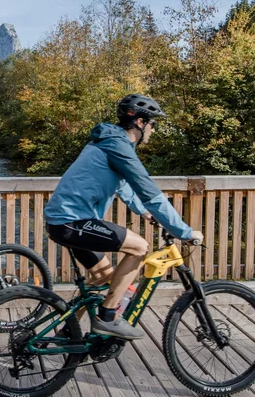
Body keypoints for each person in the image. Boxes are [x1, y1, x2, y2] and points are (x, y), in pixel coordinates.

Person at [44, 94, 203, 339]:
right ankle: (107, 317)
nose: (153, 130)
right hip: (71, 221)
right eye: (153, 124)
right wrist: (185, 231)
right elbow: (149, 191)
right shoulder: (117, 145)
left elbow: (124, 187)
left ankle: (68, 331)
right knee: (140, 247)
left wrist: (146, 212)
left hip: (66, 220)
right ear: (140, 123)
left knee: (104, 277)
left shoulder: (110, 141)